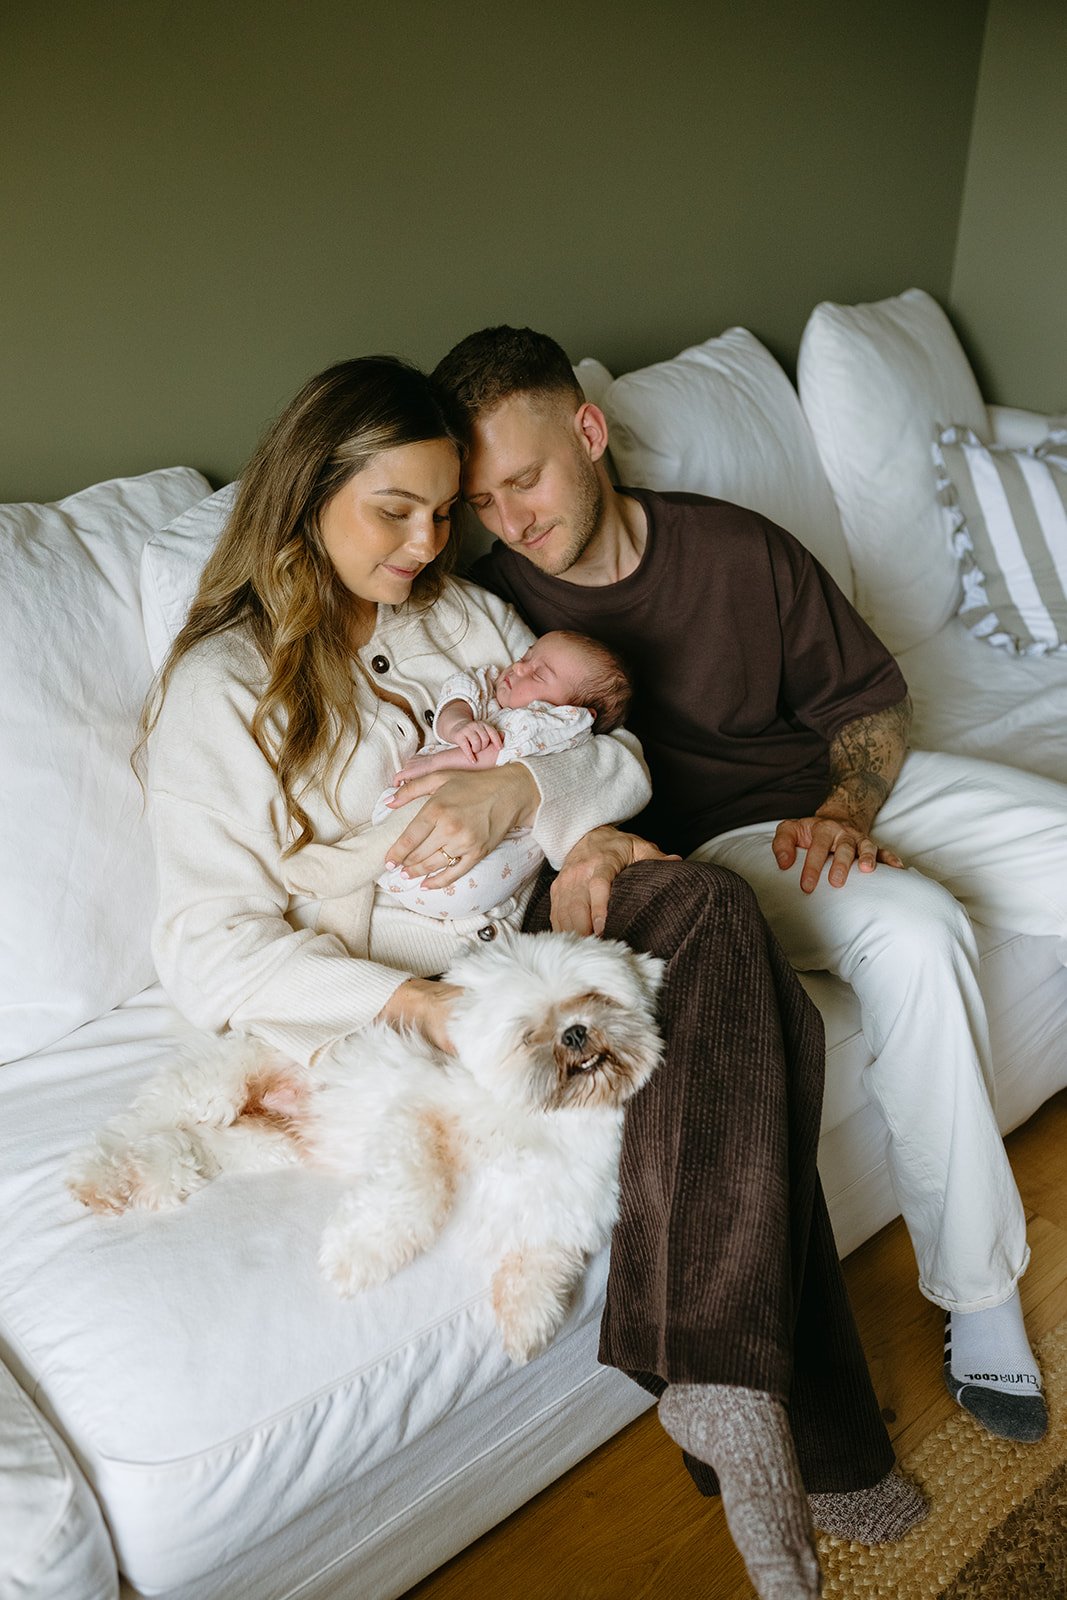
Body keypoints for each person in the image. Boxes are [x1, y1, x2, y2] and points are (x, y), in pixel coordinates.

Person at [140, 354, 921, 1600]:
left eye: (443, 510)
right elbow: (203, 948)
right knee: (757, 1015)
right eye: (393, 510)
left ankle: (712, 1383)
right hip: (423, 983)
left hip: (559, 915)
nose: (427, 540)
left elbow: (613, 751)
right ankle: (807, 1437)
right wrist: (420, 1004)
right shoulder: (221, 691)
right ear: (303, 497)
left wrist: (539, 795)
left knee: (716, 912)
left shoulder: (456, 614)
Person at [433, 323, 1066, 1460]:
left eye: (522, 481)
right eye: (484, 501)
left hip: (843, 797)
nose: (509, 519)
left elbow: (868, 703)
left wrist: (848, 810)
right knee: (916, 930)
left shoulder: (732, 547)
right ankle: (978, 1301)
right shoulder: (493, 615)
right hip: (717, 853)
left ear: (586, 434)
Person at [372, 630, 631, 919]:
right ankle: (387, 870)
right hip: (413, 833)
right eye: (525, 656)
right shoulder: (488, 690)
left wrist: (436, 762)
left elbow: (499, 753)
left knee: (493, 867)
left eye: (538, 675)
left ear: (576, 712)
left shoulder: (553, 724)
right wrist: (458, 724)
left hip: (494, 856)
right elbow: (456, 697)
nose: (519, 667)